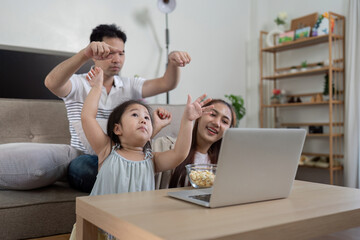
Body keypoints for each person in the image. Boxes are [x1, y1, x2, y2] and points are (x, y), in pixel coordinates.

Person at [69, 67, 212, 239]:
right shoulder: (106, 149)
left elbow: (179, 154)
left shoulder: (151, 160)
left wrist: (188, 120)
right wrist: (97, 87)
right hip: (98, 230)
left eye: (146, 118)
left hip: (133, 232)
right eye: (135, 115)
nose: (143, 119)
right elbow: (87, 118)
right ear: (117, 129)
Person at [44, 24, 191, 192]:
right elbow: (51, 82)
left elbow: (167, 83)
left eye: (121, 53)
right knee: (84, 166)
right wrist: (84, 54)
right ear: (95, 55)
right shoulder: (78, 83)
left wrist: (173, 62)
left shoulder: (130, 85)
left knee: (138, 162)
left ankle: (129, 187)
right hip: (87, 157)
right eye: (110, 53)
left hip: (124, 154)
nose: (117, 59)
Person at [167, 98, 236, 188]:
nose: (217, 123)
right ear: (199, 116)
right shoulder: (167, 146)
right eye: (213, 114)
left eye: (224, 122)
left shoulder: (224, 164)